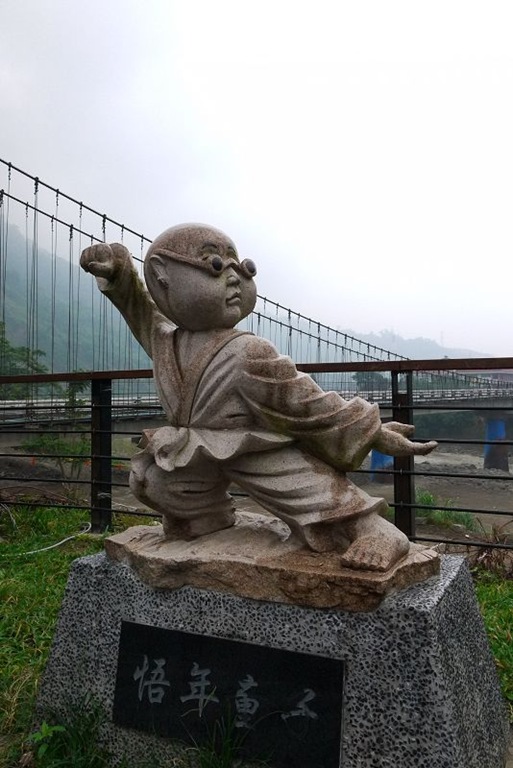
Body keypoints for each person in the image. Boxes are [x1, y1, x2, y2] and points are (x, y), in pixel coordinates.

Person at [80, 224, 436, 571]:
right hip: (197, 449)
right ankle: (207, 520)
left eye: (241, 267)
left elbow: (306, 403)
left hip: (251, 447)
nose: (234, 278)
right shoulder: (166, 341)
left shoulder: (248, 351)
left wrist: (371, 430)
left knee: (298, 482)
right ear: (161, 277)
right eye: (215, 265)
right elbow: (140, 310)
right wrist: (120, 272)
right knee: (151, 478)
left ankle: (374, 530)